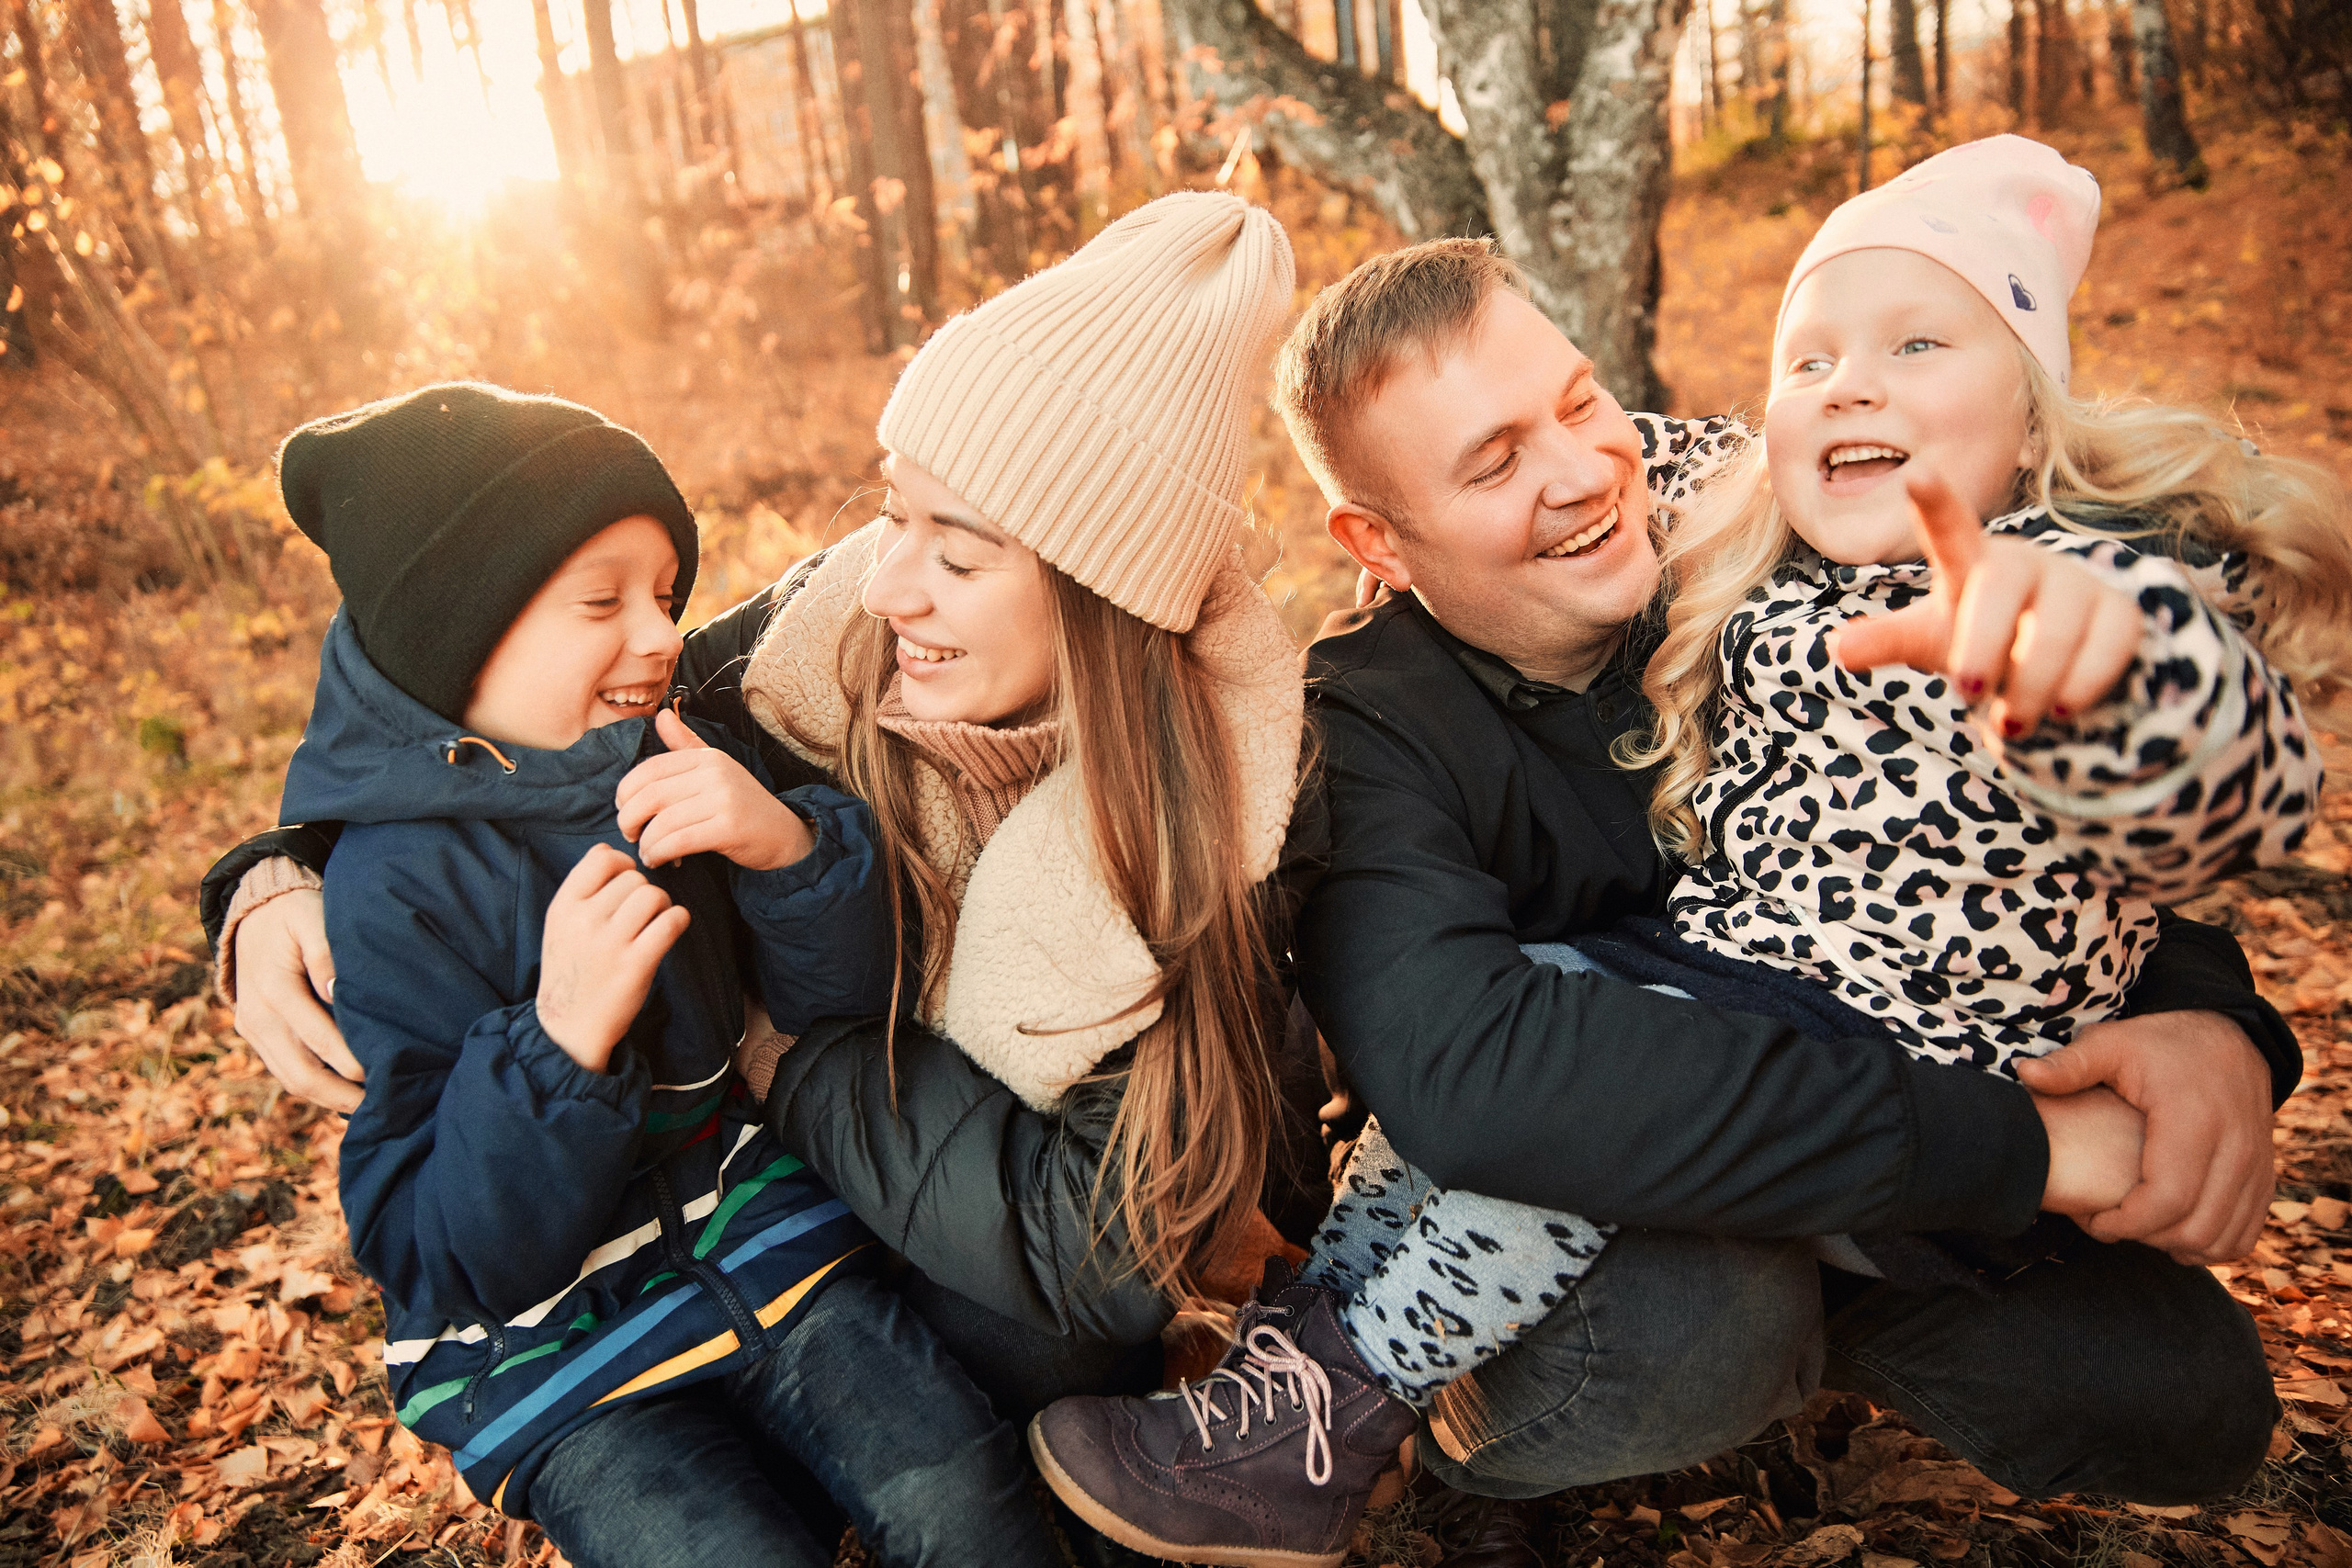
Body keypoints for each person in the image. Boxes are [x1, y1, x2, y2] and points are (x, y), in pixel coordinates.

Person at [1030, 137, 2348, 1567]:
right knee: (1696, 1325)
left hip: (1900, 1064)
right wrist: (2037, 1150)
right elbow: (1469, 1076)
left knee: (2180, 1395)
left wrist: (2209, 1016)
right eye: (1490, 464)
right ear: (1382, 544)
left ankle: (1819, 1311)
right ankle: (1371, 1404)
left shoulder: (1763, 529)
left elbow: (2092, 807)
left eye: (1581, 403)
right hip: (1609, 1166)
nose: (1585, 473)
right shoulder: (1365, 723)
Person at [202, 192, 1323, 1423]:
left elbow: (1090, 1259)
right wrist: (276, 869)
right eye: (893, 510)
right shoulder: (817, 638)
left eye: (957, 552)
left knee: (1031, 1357)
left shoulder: (1221, 820)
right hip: (763, 1253)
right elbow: (517, 706)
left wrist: (783, 1040)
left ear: (1107, 599)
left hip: (971, 1271)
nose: (888, 581)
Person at [269, 383, 1060, 1568]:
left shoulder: (672, 755)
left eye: (666, 597)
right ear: (458, 630)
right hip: (561, 1369)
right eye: (604, 601)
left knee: (964, 1499)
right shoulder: (392, 891)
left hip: (767, 1252)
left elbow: (839, 1009)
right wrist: (558, 1044)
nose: (657, 636)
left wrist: (788, 853)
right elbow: (432, 1248)